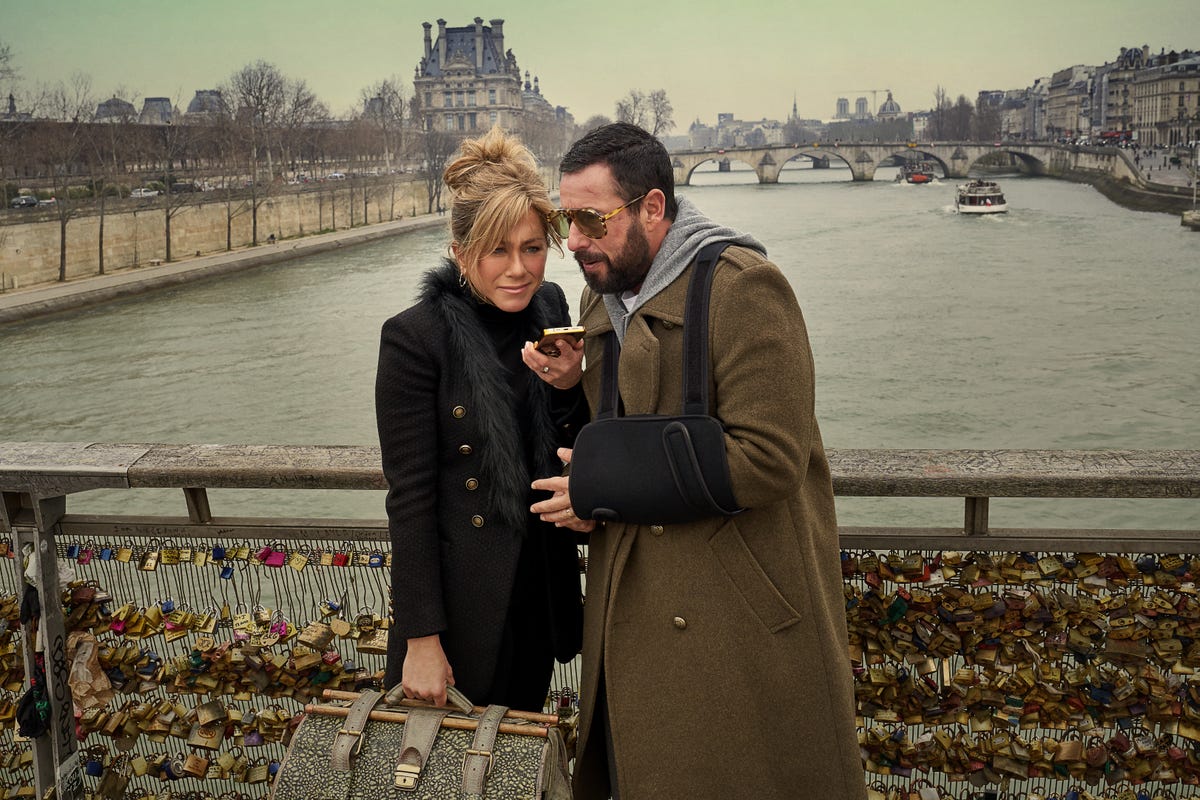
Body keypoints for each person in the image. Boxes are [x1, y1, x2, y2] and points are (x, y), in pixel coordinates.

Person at [527, 123, 867, 799]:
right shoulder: (607, 289)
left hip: (730, 611)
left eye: (592, 219)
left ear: (654, 208)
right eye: (568, 219)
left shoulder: (746, 289)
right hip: (635, 594)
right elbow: (633, 422)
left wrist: (599, 484)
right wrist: (574, 387)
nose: (576, 241)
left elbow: (770, 458)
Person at [374, 126, 584, 712]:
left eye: (533, 247)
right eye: (498, 251)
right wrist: (420, 638)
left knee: (513, 765)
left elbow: (570, 440)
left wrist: (569, 387)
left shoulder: (552, 308)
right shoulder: (415, 338)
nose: (518, 269)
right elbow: (409, 498)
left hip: (538, 592)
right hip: (461, 612)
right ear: (460, 252)